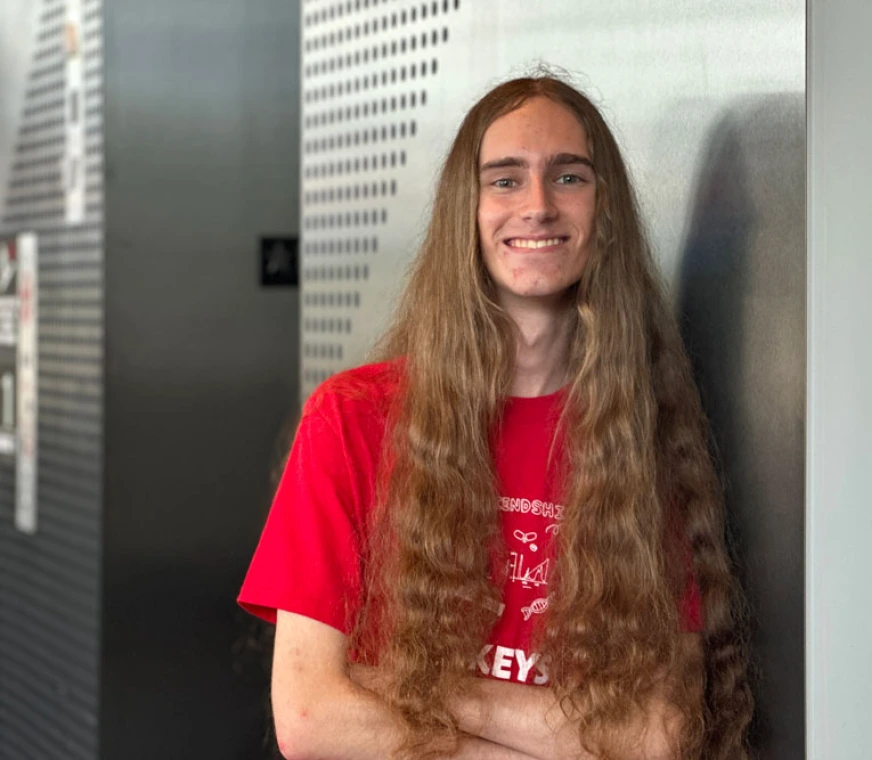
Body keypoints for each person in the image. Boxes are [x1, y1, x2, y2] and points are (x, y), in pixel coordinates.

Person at [239, 74, 752, 759]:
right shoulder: (351, 420)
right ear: (465, 211)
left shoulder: (639, 444)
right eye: (505, 180)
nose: (537, 205)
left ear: (605, 214)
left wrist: (421, 689)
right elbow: (308, 717)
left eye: (568, 177)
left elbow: (662, 734)